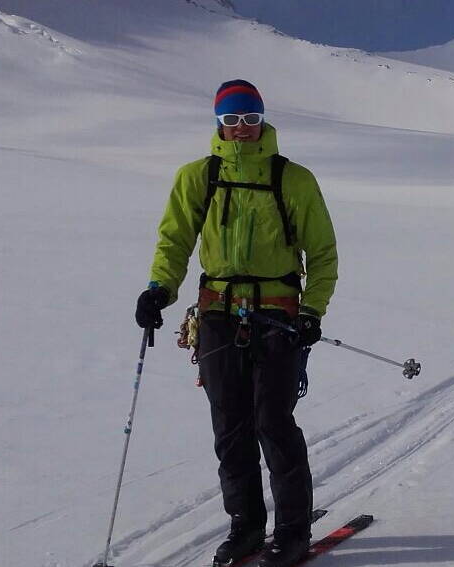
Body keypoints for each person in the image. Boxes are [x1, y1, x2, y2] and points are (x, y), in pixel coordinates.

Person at [134, 79, 338, 567]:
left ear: (263, 120)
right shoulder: (196, 177)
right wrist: (159, 289)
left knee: (273, 421)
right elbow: (175, 240)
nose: (242, 129)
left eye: (250, 119)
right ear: (218, 124)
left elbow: (323, 253)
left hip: (278, 314)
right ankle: (246, 525)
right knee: (230, 424)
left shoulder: (295, 179)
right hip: (218, 314)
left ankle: (292, 530)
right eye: (231, 120)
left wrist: (312, 311)